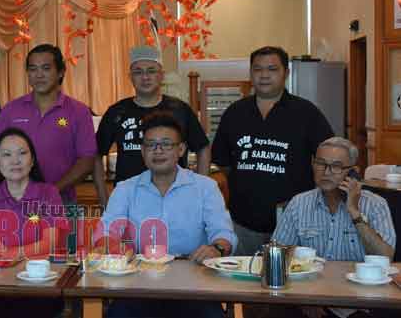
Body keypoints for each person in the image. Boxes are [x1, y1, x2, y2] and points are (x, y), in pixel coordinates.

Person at [95, 111, 236, 318]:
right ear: (142, 151)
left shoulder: (205, 187)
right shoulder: (125, 189)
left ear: (181, 149)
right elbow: (105, 233)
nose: (158, 151)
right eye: (151, 145)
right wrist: (113, 247)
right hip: (138, 286)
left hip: (194, 285)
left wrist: (216, 248)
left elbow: (224, 233)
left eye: (166, 144)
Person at [211, 46, 334, 255]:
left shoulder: (306, 113)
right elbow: (223, 162)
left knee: (293, 282)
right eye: (258, 69)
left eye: (272, 69)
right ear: (250, 73)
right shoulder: (235, 113)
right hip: (243, 222)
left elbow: (330, 157)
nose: (264, 75)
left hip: (296, 221)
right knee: (241, 283)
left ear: (286, 73)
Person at [270, 137, 396, 318]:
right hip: (310, 299)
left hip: (363, 303)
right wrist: (303, 298)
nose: (326, 172)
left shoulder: (376, 205)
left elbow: (385, 257)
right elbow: (278, 257)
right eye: (320, 163)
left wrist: (354, 212)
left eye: (336, 166)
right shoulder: (299, 204)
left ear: (352, 172)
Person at [0, 128, 66, 318]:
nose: (15, 161)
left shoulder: (49, 193)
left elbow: (51, 242)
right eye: (7, 155)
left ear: (32, 161)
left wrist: (8, 254)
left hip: (37, 281)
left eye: (22, 153)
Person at [94, 45, 210, 206]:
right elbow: (96, 154)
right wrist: (104, 199)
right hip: (129, 201)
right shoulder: (117, 112)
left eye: (151, 71)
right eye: (138, 72)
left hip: (175, 199)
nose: (145, 77)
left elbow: (202, 148)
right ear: (130, 77)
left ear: (161, 75)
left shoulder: (179, 110)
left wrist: (200, 191)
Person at [0, 44, 97, 205]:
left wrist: (51, 191)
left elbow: (87, 161)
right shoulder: (11, 110)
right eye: (33, 69)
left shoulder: (79, 111)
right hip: (14, 202)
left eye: (46, 68)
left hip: (61, 202)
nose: (39, 75)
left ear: (60, 72)